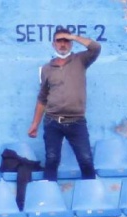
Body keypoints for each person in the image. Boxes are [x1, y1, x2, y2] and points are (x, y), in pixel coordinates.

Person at [28, 29, 100, 182]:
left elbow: (96, 47)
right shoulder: (46, 69)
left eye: (66, 40)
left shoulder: (81, 60)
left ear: (71, 43)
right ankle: (49, 197)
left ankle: (90, 196)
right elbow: (42, 98)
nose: (62, 44)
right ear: (53, 44)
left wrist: (72, 36)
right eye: (59, 41)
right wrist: (35, 124)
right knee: (52, 160)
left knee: (86, 160)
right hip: (52, 121)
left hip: (77, 121)